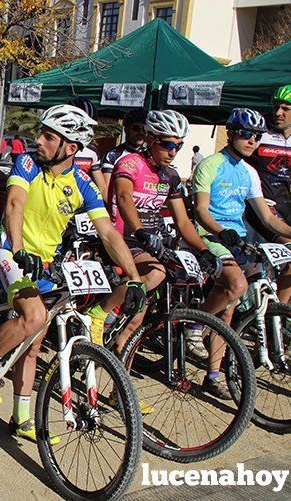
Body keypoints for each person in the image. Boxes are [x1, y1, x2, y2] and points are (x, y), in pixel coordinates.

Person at [0, 104, 146, 441]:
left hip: (47, 263)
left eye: (49, 136)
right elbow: (14, 204)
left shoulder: (81, 182)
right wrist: (19, 249)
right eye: (42, 132)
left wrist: (134, 277)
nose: (38, 140)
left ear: (71, 148)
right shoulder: (28, 163)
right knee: (33, 315)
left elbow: (108, 232)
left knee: (34, 345)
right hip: (13, 252)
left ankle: (21, 418)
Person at [109, 110, 245, 398]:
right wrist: (140, 230)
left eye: (179, 146)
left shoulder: (170, 176)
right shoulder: (129, 164)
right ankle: (103, 312)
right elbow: (123, 199)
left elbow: (183, 222)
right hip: (125, 239)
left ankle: (119, 388)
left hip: (155, 244)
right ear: (149, 139)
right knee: (155, 273)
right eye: (167, 145)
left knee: (140, 320)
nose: (173, 152)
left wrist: (205, 250)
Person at [193, 108, 291, 316]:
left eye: (257, 136)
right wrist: (220, 231)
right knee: (237, 285)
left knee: (229, 312)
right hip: (210, 236)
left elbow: (268, 218)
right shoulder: (210, 165)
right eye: (245, 134)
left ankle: (222, 346)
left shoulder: (249, 172)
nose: (252, 141)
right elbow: (200, 209)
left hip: (239, 240)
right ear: (230, 133)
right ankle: (193, 325)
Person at [246, 85, 291, 238]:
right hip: (257, 204)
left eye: (285, 109)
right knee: (289, 245)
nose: (278, 113)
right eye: (276, 107)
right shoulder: (260, 135)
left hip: (285, 204)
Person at [96, 108, 148, 194]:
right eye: (136, 128)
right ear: (126, 129)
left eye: (144, 129)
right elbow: (106, 189)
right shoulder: (112, 155)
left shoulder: (150, 156)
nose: (141, 132)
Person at [68, 96, 107, 195]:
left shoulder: (92, 152)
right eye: (81, 126)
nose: (85, 130)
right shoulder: (55, 147)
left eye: (89, 126)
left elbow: (102, 187)